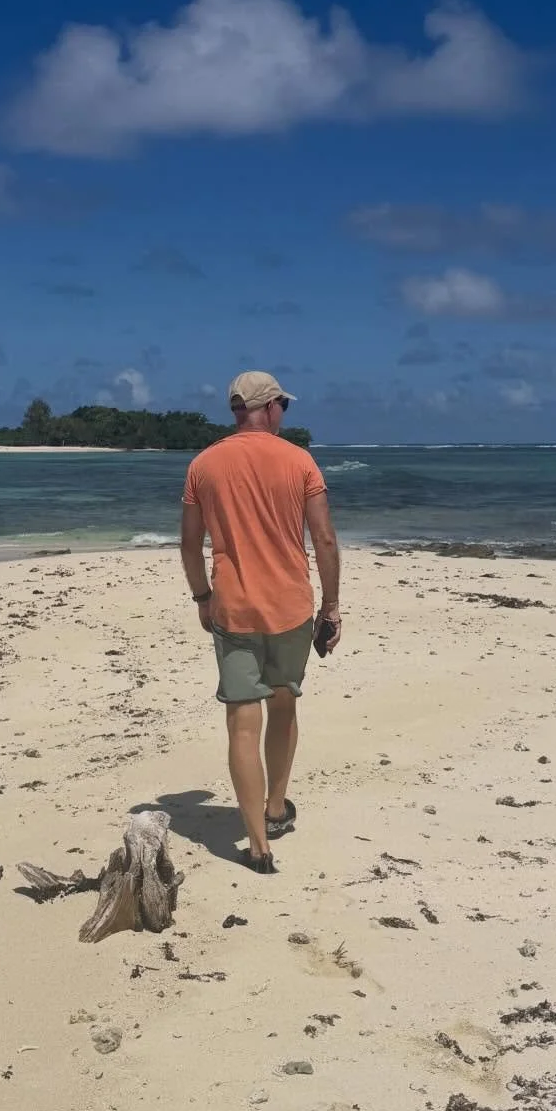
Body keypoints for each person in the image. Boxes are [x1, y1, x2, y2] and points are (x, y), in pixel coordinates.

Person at [179, 371, 341, 873]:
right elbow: (325, 540)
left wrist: (202, 597)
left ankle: (256, 845)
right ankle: (275, 807)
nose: (283, 414)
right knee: (284, 704)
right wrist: (331, 607)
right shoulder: (300, 461)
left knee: (241, 725)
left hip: (234, 608)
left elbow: (189, 545)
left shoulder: (204, 465)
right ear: (269, 407)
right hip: (290, 607)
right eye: (282, 407)